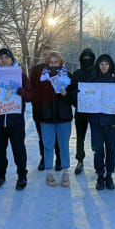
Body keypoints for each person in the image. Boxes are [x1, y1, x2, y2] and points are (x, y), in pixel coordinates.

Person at [0, 48, 32, 191]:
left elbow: (30, 95)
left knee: (19, 150)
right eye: (1, 58)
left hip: (16, 121)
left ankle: (22, 175)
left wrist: (20, 91)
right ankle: (0, 176)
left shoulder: (20, 76)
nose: (3, 60)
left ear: (12, 59)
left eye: (6, 57)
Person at [35, 52, 74, 187]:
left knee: (63, 145)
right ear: (47, 63)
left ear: (60, 63)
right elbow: (36, 97)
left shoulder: (67, 76)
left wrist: (66, 94)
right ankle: (49, 172)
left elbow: (74, 99)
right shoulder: (42, 77)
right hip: (46, 117)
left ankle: (65, 172)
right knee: (48, 145)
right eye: (50, 62)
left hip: (64, 117)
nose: (53, 65)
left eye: (55, 62)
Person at [88, 54, 115, 190]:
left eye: (106, 64)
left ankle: (109, 176)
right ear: (98, 65)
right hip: (96, 121)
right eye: (101, 64)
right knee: (98, 150)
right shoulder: (91, 81)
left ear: (110, 66)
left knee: (111, 149)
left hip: (111, 121)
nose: (104, 66)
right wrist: (80, 93)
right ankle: (100, 175)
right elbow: (84, 97)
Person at [29, 46, 61, 171]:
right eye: (44, 54)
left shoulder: (59, 70)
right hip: (39, 109)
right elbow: (31, 88)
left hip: (55, 109)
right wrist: (35, 103)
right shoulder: (36, 70)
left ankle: (59, 159)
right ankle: (44, 158)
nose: (46, 57)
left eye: (48, 54)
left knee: (57, 136)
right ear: (42, 56)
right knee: (42, 136)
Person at [71, 48, 96, 175]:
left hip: (96, 112)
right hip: (81, 111)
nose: (87, 59)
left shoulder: (97, 73)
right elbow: (71, 92)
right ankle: (80, 160)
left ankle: (98, 160)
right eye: (85, 57)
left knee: (97, 138)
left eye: (89, 57)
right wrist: (77, 95)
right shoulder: (76, 74)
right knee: (80, 137)